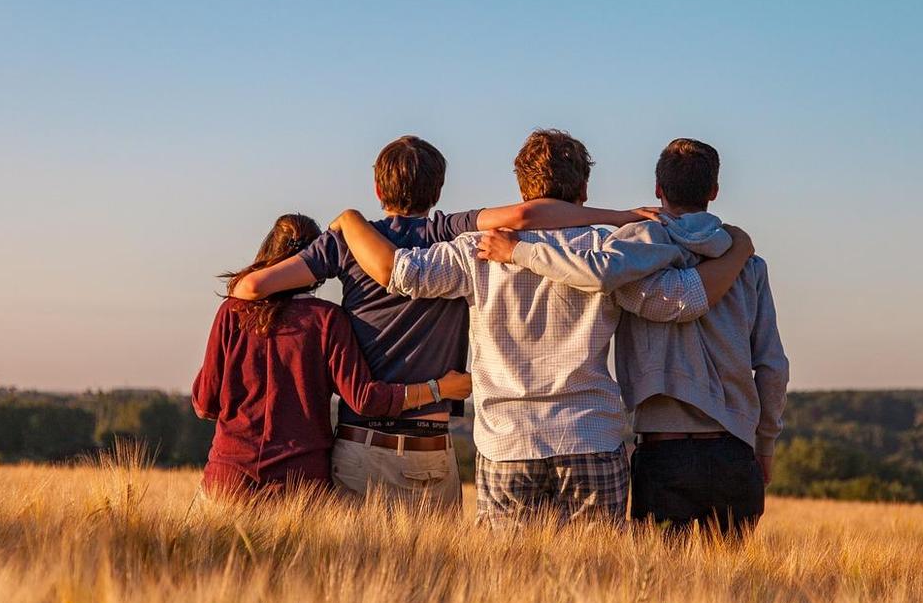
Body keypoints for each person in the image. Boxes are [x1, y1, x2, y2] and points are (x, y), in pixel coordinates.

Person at [330, 130, 754, 526]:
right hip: (590, 436)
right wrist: (738, 252)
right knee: (597, 584)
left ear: (521, 189)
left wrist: (350, 221)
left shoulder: (475, 250)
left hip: (507, 443)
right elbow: (680, 301)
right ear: (584, 190)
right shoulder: (609, 251)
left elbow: (401, 273)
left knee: (509, 585)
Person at [229, 135, 663, 507]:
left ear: (378, 189)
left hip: (363, 442)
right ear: (438, 190)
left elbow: (251, 290)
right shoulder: (449, 232)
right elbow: (527, 216)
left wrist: (344, 226)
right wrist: (620, 217)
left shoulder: (346, 242)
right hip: (433, 446)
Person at [478, 138, 789, 536]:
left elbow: (597, 273)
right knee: (728, 592)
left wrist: (519, 251)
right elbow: (772, 366)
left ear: (658, 189)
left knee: (659, 589)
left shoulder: (631, 253)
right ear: (713, 191)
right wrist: (765, 444)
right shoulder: (748, 264)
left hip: (664, 450)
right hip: (735, 451)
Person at [192, 213, 472, 498]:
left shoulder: (232, 312)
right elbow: (364, 399)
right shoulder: (327, 320)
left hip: (228, 479)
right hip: (300, 484)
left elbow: (205, 404)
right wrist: (439, 389)